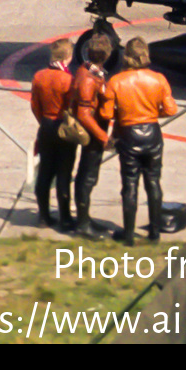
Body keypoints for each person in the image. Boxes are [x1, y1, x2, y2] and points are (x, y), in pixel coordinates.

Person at [99, 37, 177, 245]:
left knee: (129, 184)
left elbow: (107, 113)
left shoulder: (116, 81)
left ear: (127, 56)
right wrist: (151, 113)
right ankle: (154, 232)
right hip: (152, 132)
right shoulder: (158, 79)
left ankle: (129, 234)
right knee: (153, 182)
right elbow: (171, 109)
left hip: (128, 132)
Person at [64, 36, 110, 239]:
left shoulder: (90, 71)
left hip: (94, 129)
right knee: (87, 176)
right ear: (106, 55)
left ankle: (85, 218)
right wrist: (103, 137)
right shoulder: (89, 78)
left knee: (88, 175)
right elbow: (83, 113)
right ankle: (82, 224)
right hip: (92, 132)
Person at [30, 38, 76, 229]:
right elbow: (72, 107)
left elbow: (34, 106)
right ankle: (65, 217)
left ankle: (43, 216)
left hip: (46, 125)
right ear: (68, 57)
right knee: (64, 173)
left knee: (45, 172)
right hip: (63, 127)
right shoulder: (68, 80)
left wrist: (44, 122)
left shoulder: (39, 76)